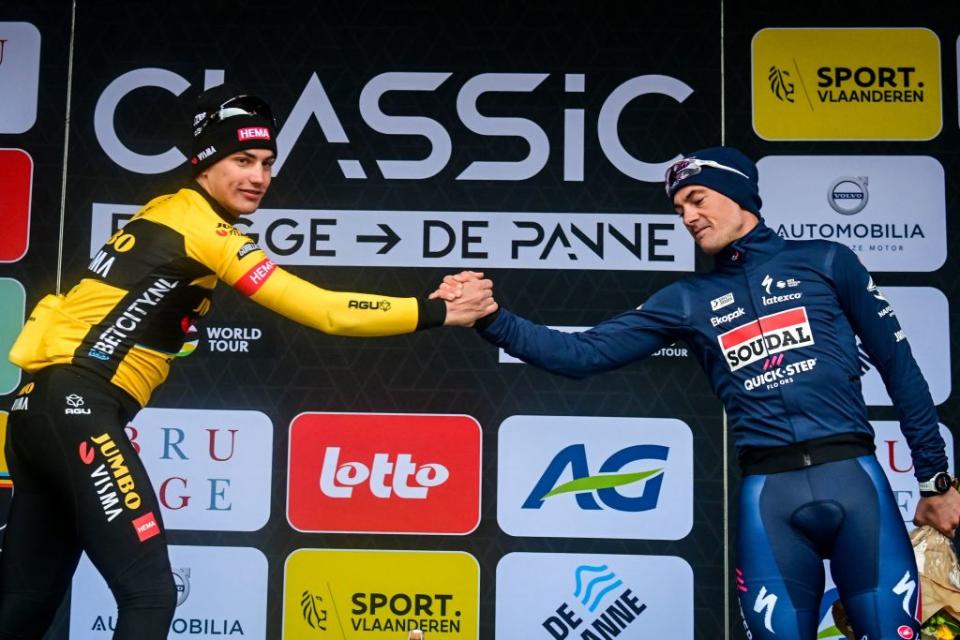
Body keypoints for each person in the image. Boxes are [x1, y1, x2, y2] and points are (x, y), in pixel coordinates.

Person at [0, 84, 494, 640]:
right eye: (241, 161)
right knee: (150, 596)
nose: (258, 177)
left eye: (265, 163)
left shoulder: (165, 212)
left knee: (24, 605)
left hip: (36, 413)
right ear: (203, 165)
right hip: (77, 409)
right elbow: (326, 311)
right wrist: (437, 310)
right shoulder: (205, 231)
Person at [435, 147, 960, 640]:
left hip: (854, 481)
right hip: (769, 501)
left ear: (739, 196)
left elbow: (899, 367)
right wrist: (493, 319)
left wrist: (934, 481)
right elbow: (582, 355)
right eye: (679, 207)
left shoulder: (826, 261)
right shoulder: (688, 299)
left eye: (697, 199)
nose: (687, 216)